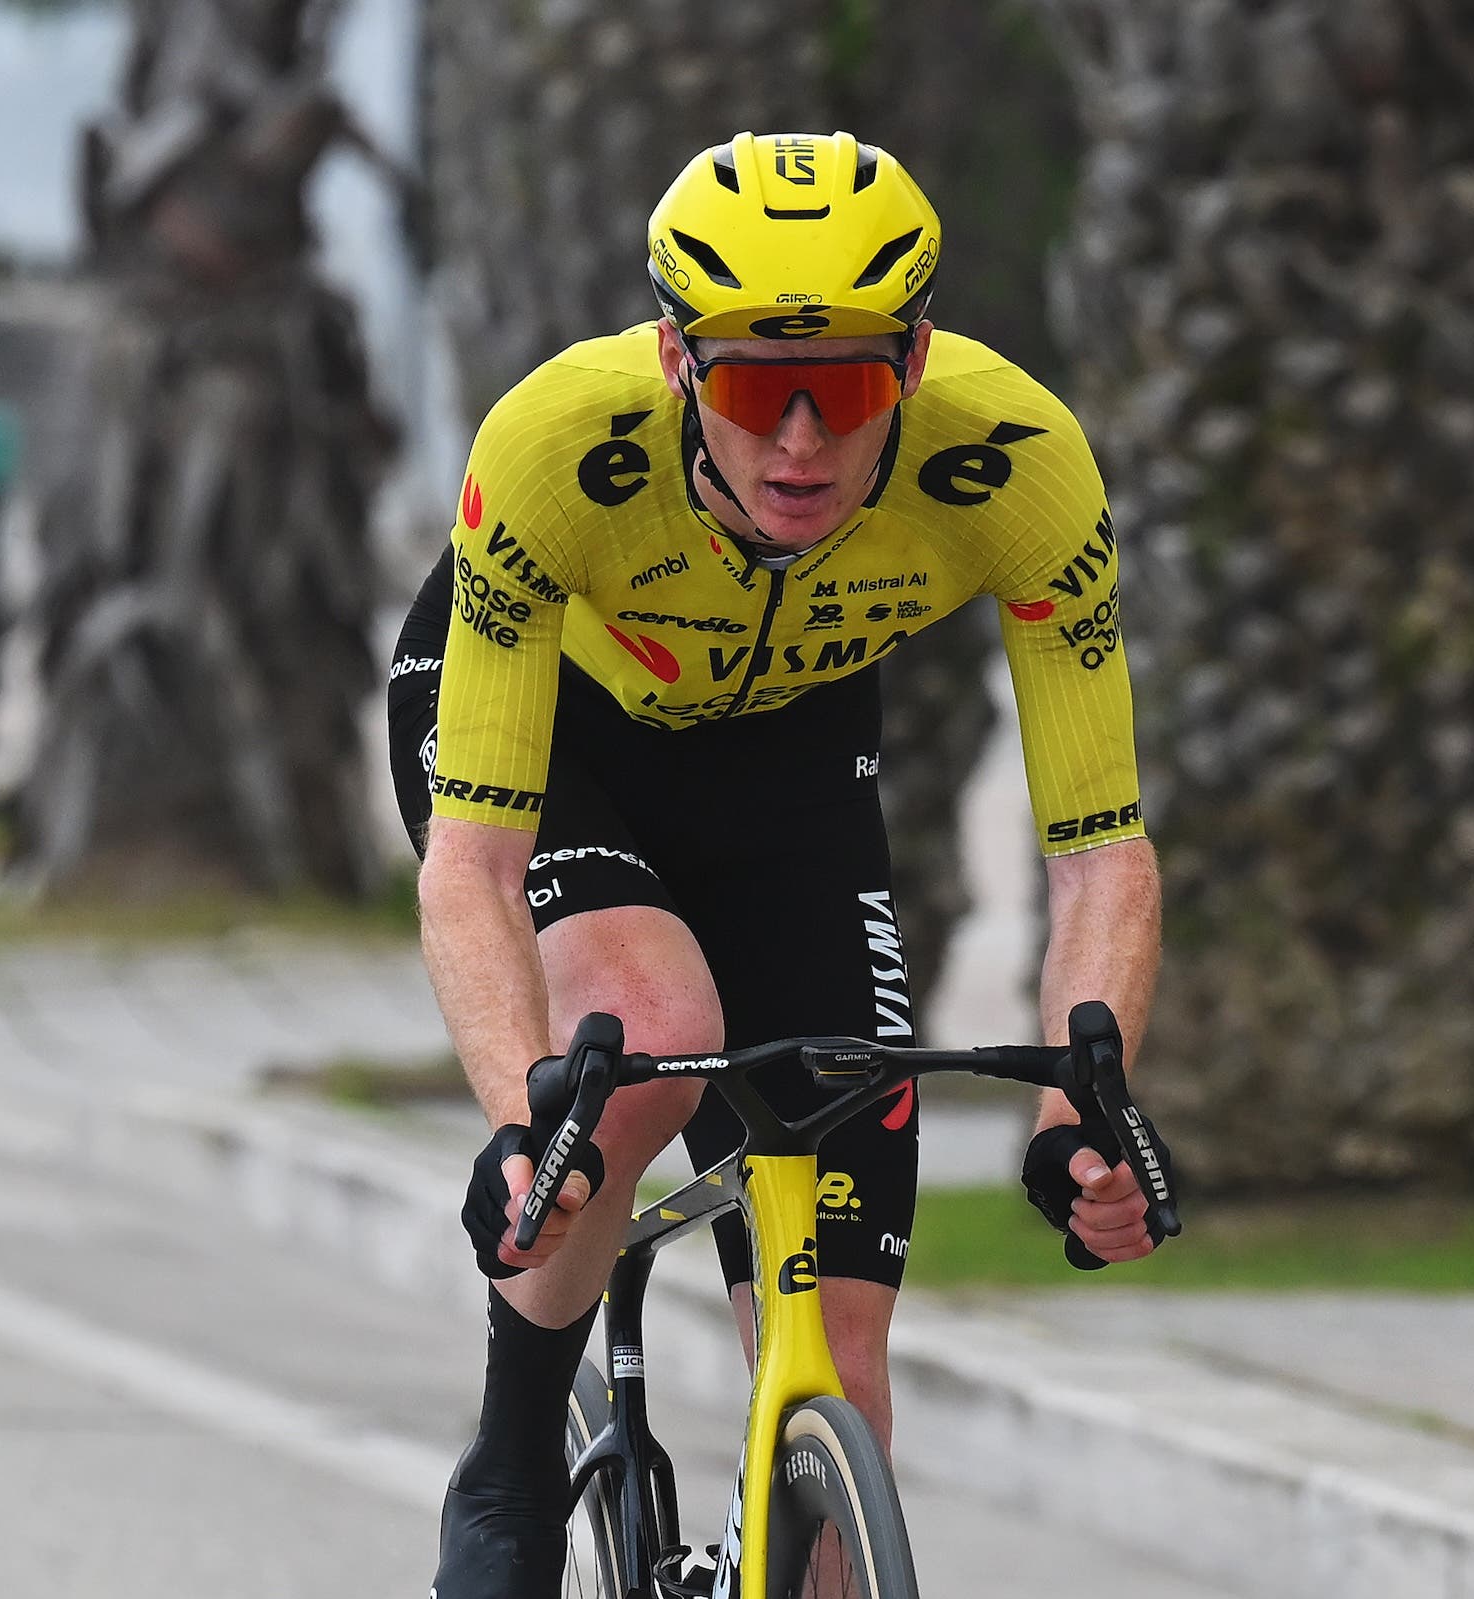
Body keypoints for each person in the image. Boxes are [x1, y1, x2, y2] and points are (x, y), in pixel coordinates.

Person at [389, 129, 1168, 1598]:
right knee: (660, 1036)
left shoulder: (1018, 464)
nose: (801, 445)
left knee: (845, 1360)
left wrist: (1081, 1110)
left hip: (792, 750)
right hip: (557, 728)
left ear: (918, 360)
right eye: (756, 388)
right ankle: (508, 1460)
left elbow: (1100, 856)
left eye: (853, 390)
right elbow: (473, 869)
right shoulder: (556, 445)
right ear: (681, 362)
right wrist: (517, 1126)